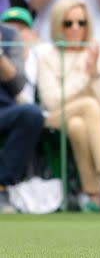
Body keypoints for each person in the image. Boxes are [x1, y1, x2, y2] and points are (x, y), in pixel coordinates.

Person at [35, 0, 100, 211]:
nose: (75, 28)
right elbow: (51, 101)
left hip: (87, 121)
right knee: (89, 104)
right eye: (68, 23)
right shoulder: (46, 54)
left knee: (78, 125)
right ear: (57, 25)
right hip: (53, 118)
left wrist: (96, 73)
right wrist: (84, 76)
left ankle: (93, 195)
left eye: (82, 23)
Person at [0, 21, 44, 213]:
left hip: (4, 111)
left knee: (32, 114)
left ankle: (2, 186)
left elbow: (17, 84)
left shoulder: (10, 34)